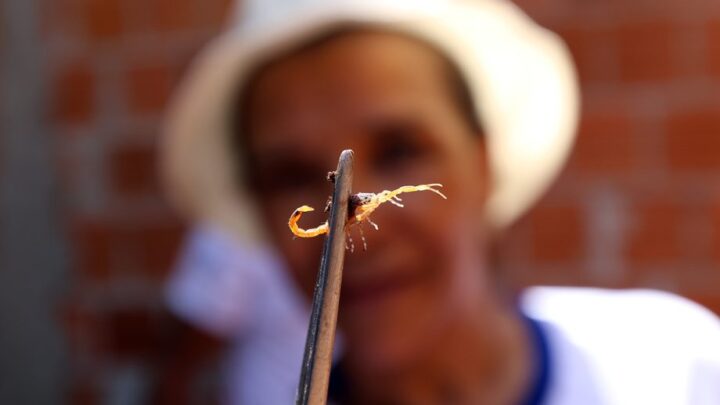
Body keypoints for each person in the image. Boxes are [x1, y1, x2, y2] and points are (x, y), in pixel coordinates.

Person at [161, 0, 720, 403]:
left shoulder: (675, 368)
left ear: (482, 164)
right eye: (291, 175)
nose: (356, 226)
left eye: (402, 150)